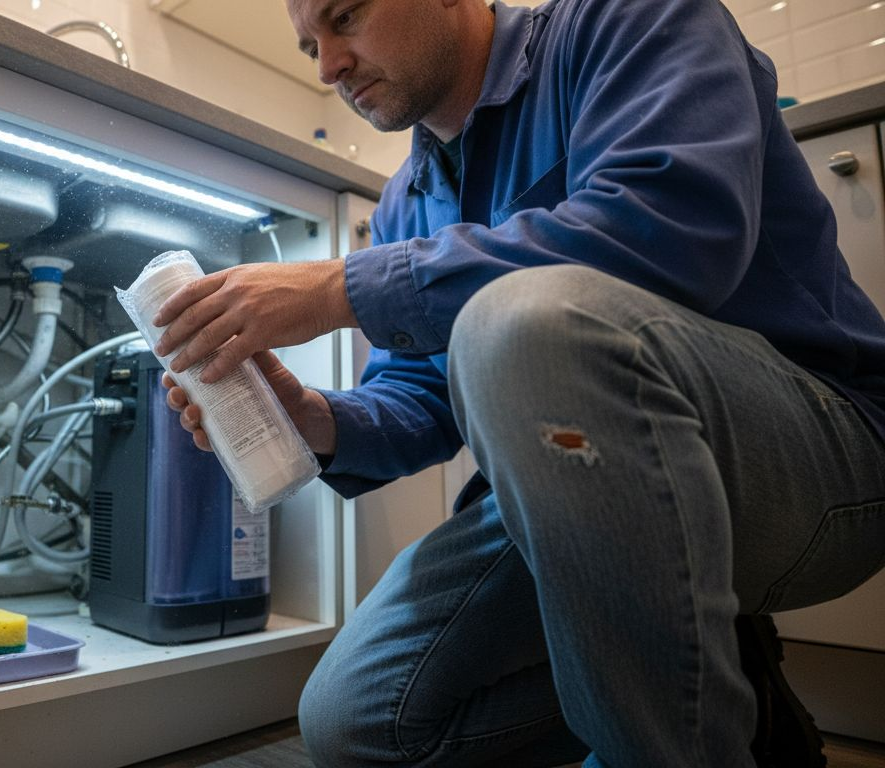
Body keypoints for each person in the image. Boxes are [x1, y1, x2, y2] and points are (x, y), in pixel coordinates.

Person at [153, 0, 885, 765]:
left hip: (823, 459)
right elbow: (420, 395)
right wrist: (311, 418)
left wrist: (341, 287)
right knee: (358, 721)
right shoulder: (408, 194)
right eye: (310, 48)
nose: (331, 65)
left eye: (346, 16)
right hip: (593, 501)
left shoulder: (629, 21)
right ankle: (734, 696)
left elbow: (674, 227)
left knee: (524, 321)